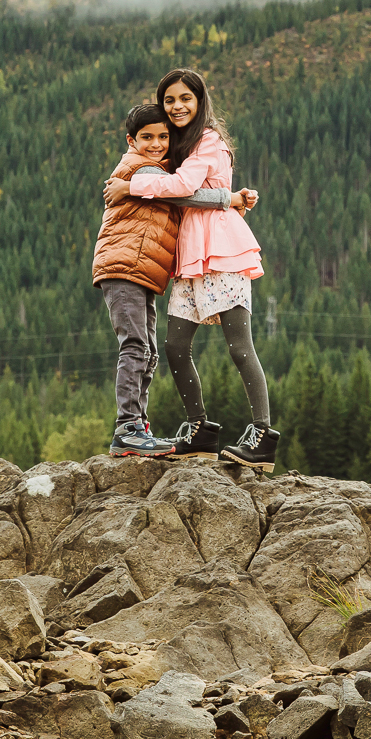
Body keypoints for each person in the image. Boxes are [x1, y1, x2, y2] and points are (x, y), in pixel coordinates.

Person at [105, 68, 276, 470]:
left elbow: (182, 188)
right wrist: (229, 195)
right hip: (188, 255)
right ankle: (199, 429)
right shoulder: (176, 145)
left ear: (200, 101)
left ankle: (262, 435)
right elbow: (181, 193)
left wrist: (131, 186)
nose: (177, 106)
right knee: (175, 346)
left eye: (185, 98)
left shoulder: (209, 140)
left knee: (239, 345)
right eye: (170, 100)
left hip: (221, 247)